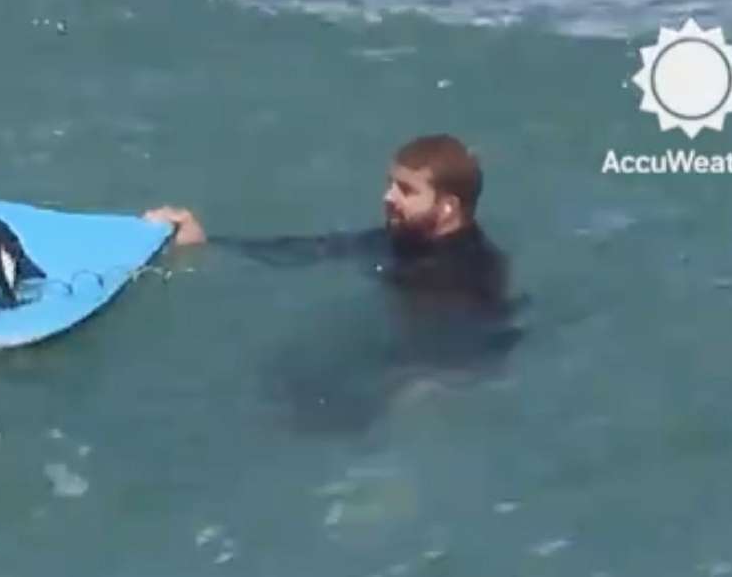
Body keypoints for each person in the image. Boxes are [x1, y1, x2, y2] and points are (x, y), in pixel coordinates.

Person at [143, 133, 526, 431]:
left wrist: (419, 390)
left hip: (429, 384)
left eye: (406, 190)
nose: (388, 197)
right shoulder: (403, 241)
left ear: (447, 207)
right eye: (390, 184)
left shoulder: (471, 272)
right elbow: (311, 250)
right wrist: (209, 242)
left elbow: (477, 353)